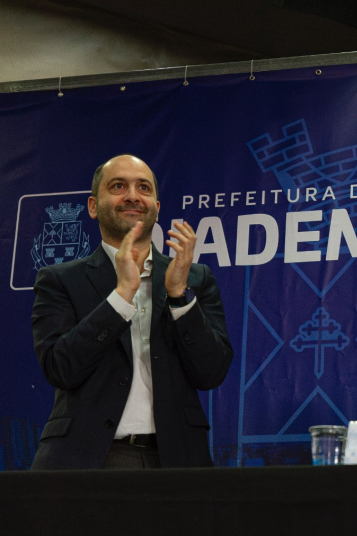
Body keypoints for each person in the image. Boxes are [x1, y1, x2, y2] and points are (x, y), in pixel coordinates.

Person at [31, 154, 233, 469]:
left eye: (144, 188)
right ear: (93, 206)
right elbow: (61, 368)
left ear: (156, 207)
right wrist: (122, 294)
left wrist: (179, 296)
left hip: (177, 460)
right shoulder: (60, 279)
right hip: (87, 460)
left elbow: (211, 373)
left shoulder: (195, 279)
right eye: (118, 186)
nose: (132, 196)